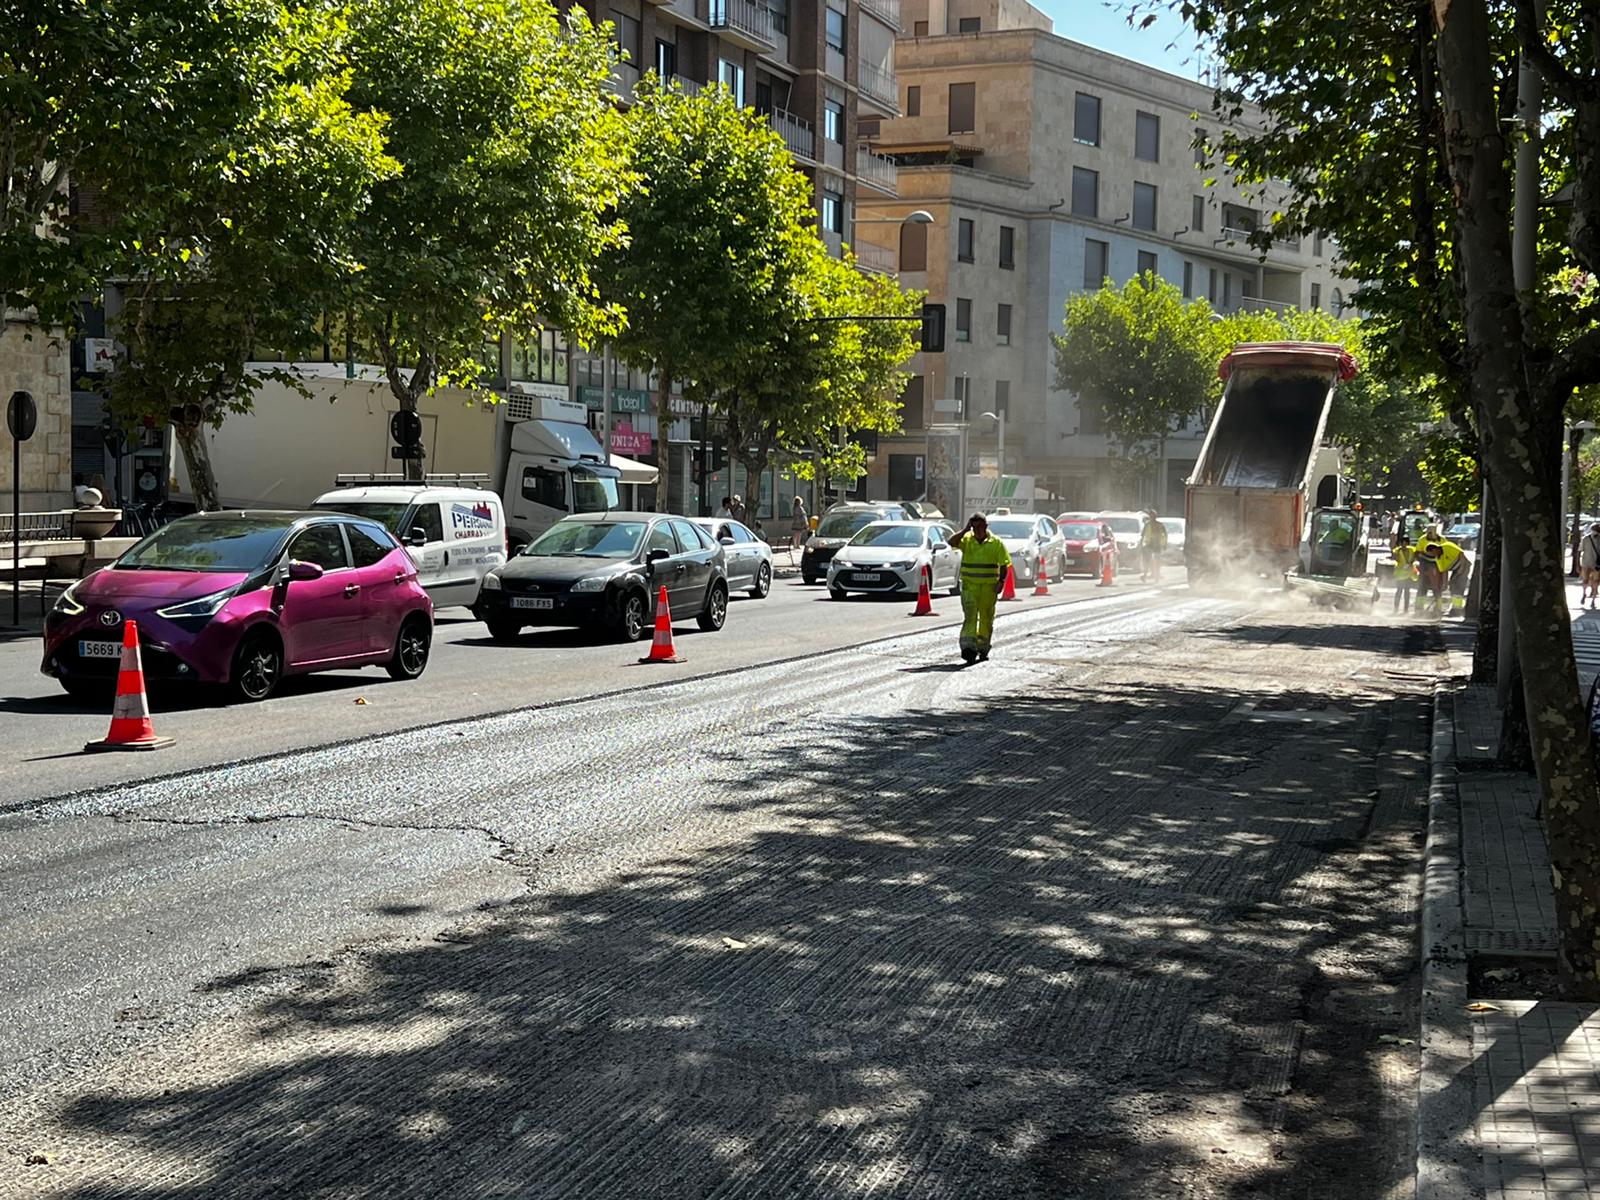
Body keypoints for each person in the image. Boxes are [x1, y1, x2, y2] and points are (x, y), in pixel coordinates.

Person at [948, 513, 1012, 664]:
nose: (977, 530)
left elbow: (1004, 564)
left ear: (986, 526)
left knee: (986, 618)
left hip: (988, 588)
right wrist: (964, 530)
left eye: (980, 527)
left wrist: (1001, 582)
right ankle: (968, 648)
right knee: (970, 617)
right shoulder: (967, 540)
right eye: (974, 527)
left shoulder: (996, 543)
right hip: (970, 587)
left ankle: (982, 648)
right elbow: (951, 542)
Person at [1138, 511, 1168, 582]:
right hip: (1150, 544)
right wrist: (1141, 543)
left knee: (1155, 561)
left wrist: (1164, 544)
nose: (1152, 517)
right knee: (1149, 561)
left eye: (1152, 516)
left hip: (1155, 545)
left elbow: (1165, 535)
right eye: (1151, 516)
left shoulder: (1159, 525)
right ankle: (1147, 576)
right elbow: (1143, 535)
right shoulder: (1149, 525)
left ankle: (1155, 576)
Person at [1390, 535, 1417, 614]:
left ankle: (1406, 610)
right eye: (1402, 543)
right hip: (1400, 574)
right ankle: (1396, 609)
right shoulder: (1397, 551)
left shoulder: (1412, 550)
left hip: (1409, 574)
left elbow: (1416, 556)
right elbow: (1394, 556)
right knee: (1399, 591)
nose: (1404, 545)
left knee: (1407, 592)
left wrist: (1411, 563)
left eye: (1405, 543)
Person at [1582, 522, 1600, 607]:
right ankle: (1588, 595)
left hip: (1592, 563)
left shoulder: (1585, 538)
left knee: (1592, 581)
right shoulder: (1585, 539)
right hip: (1590, 563)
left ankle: (1590, 596)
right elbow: (1580, 550)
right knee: (1591, 580)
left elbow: (1579, 551)